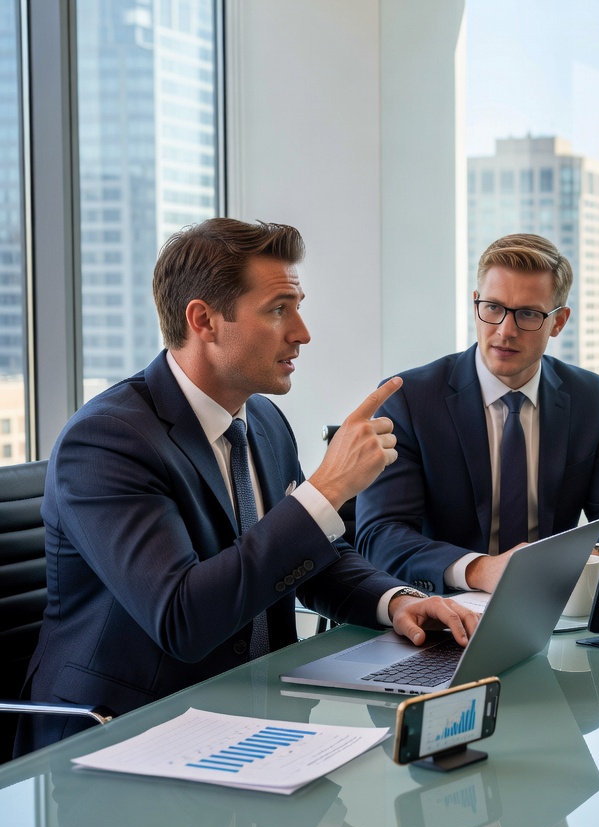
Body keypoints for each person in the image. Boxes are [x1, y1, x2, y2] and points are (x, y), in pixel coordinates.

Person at [17, 218, 477, 755]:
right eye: (279, 309)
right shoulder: (107, 440)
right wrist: (326, 491)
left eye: (297, 307)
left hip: (253, 721)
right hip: (123, 736)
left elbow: (311, 558)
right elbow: (182, 618)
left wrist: (395, 601)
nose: (302, 332)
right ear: (204, 320)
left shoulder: (262, 421)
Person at [355, 233, 599, 594]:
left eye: (528, 314)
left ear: (558, 322)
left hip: (554, 606)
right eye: (493, 308)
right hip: (444, 607)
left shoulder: (590, 398)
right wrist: (478, 570)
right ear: (475, 304)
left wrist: (595, 556)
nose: (505, 331)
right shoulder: (410, 400)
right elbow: (380, 534)